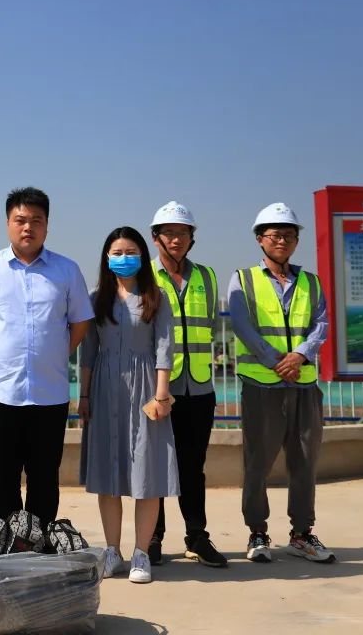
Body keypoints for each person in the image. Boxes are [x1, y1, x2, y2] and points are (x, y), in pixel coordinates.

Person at [0, 187, 93, 525]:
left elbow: (80, 322)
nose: (28, 227)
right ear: (8, 223)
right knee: (2, 474)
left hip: (50, 391)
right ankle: (5, 542)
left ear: (47, 225)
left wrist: (58, 353)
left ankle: (40, 539)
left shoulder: (67, 270)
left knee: (44, 475)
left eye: (36, 220)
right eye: (20, 220)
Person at [228, 202, 333, 564]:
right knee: (258, 462)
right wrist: (276, 361)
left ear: (296, 241)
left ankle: (302, 534)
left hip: (304, 384)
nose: (282, 241)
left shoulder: (311, 282)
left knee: (305, 460)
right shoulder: (243, 279)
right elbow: (242, 326)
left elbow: (321, 324)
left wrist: (300, 355)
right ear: (260, 239)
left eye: (289, 235)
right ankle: (257, 532)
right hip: (262, 385)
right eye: (274, 235)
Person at [79, 226, 177, 584]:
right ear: (107, 258)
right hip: (106, 388)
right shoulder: (96, 299)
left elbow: (164, 347)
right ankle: (112, 551)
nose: (124, 258)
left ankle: (141, 553)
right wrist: (84, 395)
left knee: (146, 472)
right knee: (108, 473)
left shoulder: (156, 297)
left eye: (131, 252)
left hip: (146, 387)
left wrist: (161, 394)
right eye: (117, 252)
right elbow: (88, 351)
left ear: (142, 256)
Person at [147, 202, 227, 567]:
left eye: (183, 232)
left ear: (192, 238)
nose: (176, 239)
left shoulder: (207, 277)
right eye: (169, 233)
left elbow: (208, 326)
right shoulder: (144, 276)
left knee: (193, 466)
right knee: (155, 466)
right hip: (159, 388)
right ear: (156, 238)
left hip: (200, 386)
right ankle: (152, 537)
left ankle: (197, 536)